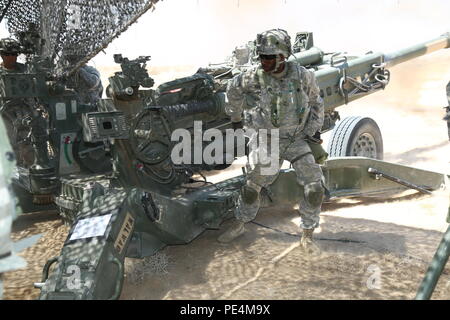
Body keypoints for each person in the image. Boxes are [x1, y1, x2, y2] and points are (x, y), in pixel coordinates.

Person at [218, 29, 325, 253]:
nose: (264, 61)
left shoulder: (303, 76)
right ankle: (239, 223)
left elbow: (316, 101)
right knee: (252, 187)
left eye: (269, 57)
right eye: (262, 56)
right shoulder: (252, 77)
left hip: (295, 139)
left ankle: (307, 234)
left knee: (315, 188)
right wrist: (236, 118)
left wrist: (313, 128)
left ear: (282, 56)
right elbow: (233, 90)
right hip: (267, 139)